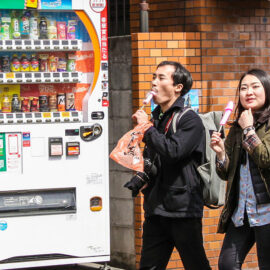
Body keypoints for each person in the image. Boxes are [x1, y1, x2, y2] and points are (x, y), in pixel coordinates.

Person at [128, 61, 211, 270]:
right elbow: (154, 157)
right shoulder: (156, 118)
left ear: (178, 87)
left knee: (196, 265)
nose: (154, 83)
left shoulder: (190, 119)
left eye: (161, 78)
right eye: (153, 77)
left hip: (183, 210)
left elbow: (174, 151)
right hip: (156, 209)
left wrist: (146, 128)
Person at [210, 68, 270, 270]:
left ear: (267, 90)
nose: (249, 92)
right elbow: (225, 173)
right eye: (244, 88)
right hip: (241, 211)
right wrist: (220, 154)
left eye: (255, 86)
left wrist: (249, 129)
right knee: (226, 264)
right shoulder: (236, 128)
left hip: (267, 211)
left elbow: (265, 158)